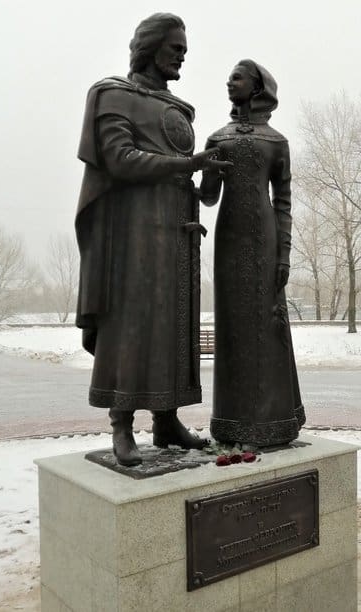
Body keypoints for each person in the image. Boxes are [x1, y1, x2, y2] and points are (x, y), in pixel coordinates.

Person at [75, 14, 230, 466]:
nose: (183, 53)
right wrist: (188, 165)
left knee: (174, 326)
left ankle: (167, 419)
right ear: (149, 47)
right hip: (130, 238)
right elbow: (121, 159)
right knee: (132, 323)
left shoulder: (179, 109)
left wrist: (211, 176)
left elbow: (190, 183)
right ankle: (121, 424)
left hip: (178, 239)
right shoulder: (112, 95)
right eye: (175, 45)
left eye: (185, 47)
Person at [199, 59, 305, 446]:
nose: (230, 81)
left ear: (257, 86)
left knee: (266, 327)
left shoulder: (276, 142)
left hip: (266, 243)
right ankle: (231, 420)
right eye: (228, 77)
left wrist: (284, 255)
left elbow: (284, 201)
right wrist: (190, 172)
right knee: (232, 326)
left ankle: (273, 421)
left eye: (238, 77)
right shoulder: (218, 138)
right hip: (228, 241)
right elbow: (208, 197)